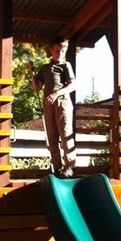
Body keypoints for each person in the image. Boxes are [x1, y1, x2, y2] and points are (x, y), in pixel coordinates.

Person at [30, 36, 77, 178]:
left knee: (65, 133)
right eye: (57, 50)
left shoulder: (66, 65)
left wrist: (56, 94)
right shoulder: (45, 68)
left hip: (63, 103)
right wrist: (31, 72)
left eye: (62, 51)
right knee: (52, 136)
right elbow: (37, 88)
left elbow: (73, 85)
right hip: (48, 105)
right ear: (51, 50)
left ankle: (70, 166)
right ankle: (56, 167)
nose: (60, 53)